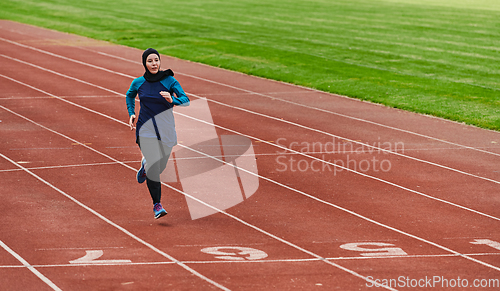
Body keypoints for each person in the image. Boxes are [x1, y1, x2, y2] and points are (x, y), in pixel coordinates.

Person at [125, 48, 190, 219]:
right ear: (144, 63)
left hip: (166, 130)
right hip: (145, 129)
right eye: (150, 61)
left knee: (160, 166)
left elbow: (186, 100)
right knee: (154, 168)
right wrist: (131, 112)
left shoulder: (169, 81)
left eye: (156, 60)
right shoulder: (138, 82)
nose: (154, 64)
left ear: (160, 61)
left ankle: (146, 164)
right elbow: (129, 95)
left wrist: (172, 100)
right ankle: (157, 205)